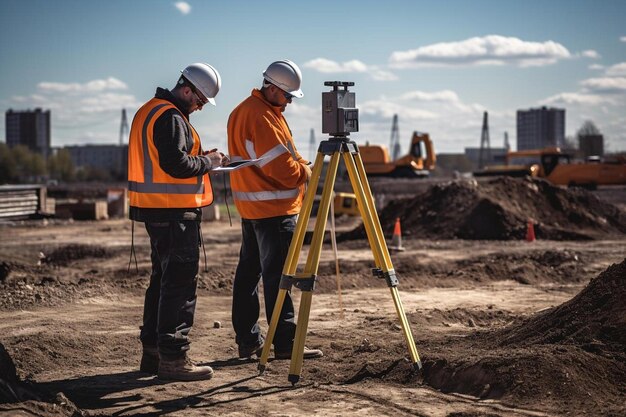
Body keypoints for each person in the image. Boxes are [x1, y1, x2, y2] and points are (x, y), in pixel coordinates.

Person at [128, 63, 228, 381]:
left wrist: (203, 156)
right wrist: (208, 162)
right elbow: (175, 164)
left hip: (156, 210)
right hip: (172, 212)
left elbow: (169, 158)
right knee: (180, 284)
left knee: (162, 281)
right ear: (187, 90)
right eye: (199, 101)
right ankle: (173, 358)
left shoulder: (151, 111)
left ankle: (153, 354)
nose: (199, 107)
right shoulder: (170, 116)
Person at [227, 59, 323, 360]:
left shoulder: (245, 111)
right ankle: (284, 343)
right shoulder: (262, 117)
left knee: (249, 276)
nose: (290, 101)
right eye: (288, 95)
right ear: (272, 87)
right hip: (275, 210)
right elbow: (283, 169)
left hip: (253, 209)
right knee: (278, 278)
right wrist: (307, 171)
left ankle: (248, 340)